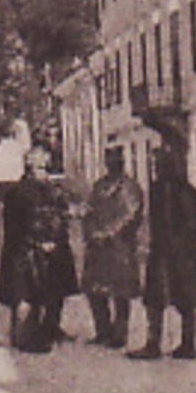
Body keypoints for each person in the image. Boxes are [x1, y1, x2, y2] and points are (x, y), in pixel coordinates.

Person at [128, 146, 196, 361]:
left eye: (159, 165)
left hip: (175, 253)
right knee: (167, 300)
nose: (156, 169)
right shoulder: (168, 189)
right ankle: (168, 344)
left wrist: (178, 241)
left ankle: (175, 344)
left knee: (174, 299)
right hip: (171, 252)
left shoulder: (175, 190)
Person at [0, 147, 79, 353]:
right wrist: (36, 243)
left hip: (55, 247)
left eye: (45, 166)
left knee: (56, 290)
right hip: (26, 250)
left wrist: (63, 224)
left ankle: (50, 328)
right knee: (25, 294)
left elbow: (62, 212)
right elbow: (16, 226)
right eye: (39, 167)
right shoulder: (18, 193)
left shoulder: (52, 189)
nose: (43, 171)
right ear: (29, 167)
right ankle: (23, 337)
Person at [81, 147, 144, 349]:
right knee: (94, 291)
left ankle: (119, 334)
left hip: (120, 246)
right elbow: (89, 212)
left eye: (116, 161)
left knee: (121, 292)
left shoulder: (130, 187)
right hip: (97, 247)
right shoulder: (99, 186)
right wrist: (91, 233)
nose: (112, 164)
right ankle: (102, 331)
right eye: (109, 161)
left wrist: (108, 233)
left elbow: (131, 215)